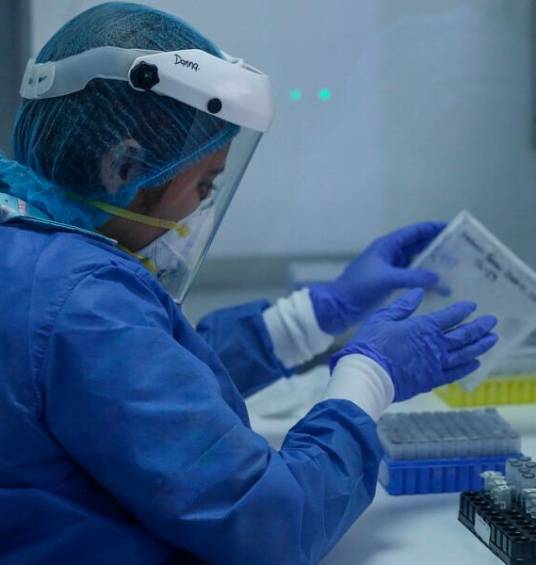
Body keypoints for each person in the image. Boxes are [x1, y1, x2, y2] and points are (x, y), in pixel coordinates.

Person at [0, 3, 498, 564]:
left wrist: (313, 315)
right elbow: (271, 525)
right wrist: (368, 380)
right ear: (123, 168)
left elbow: (130, 390)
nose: (205, 206)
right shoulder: (83, 300)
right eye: (206, 184)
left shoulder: (26, 244)